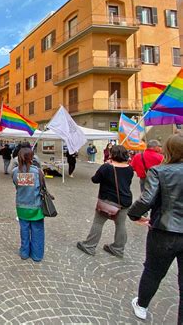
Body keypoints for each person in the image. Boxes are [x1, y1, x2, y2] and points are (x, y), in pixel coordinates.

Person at [127, 132, 183, 322]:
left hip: (164, 230)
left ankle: (142, 305)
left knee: (153, 270)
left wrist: (134, 215)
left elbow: (146, 199)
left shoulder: (160, 171)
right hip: (169, 228)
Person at [76, 145, 134, 258]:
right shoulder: (129, 168)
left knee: (98, 223)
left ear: (112, 154)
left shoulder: (107, 167)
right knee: (121, 224)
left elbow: (95, 179)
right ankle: (118, 248)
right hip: (125, 200)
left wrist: (107, 165)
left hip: (108, 200)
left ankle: (89, 245)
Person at [13, 147, 45, 262]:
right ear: (32, 157)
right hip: (35, 206)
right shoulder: (37, 171)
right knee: (37, 230)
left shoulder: (15, 171)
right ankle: (37, 255)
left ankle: (24, 252)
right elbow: (43, 187)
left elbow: (16, 185)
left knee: (24, 230)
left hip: (21, 205)